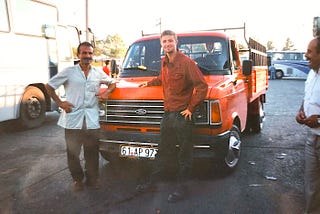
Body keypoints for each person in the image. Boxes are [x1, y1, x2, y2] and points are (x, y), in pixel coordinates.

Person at [136, 30, 208, 203]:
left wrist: (190, 108)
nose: (167, 44)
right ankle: (154, 183)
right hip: (168, 115)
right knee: (162, 151)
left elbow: (202, 86)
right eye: (164, 41)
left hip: (182, 117)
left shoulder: (187, 63)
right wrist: (149, 82)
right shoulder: (164, 62)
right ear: (161, 44)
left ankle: (181, 189)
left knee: (184, 154)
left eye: (170, 41)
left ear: (176, 42)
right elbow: (163, 78)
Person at [45, 42, 116, 191]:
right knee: (73, 153)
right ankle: (77, 180)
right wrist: (60, 102)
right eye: (84, 53)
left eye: (90, 53)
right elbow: (49, 86)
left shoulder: (97, 72)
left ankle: (92, 179)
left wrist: (106, 93)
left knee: (92, 152)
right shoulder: (69, 72)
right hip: (73, 119)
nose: (87, 56)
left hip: (91, 119)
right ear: (78, 55)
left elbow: (112, 82)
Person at [295, 36, 320, 214]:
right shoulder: (311, 74)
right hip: (312, 138)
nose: (306, 55)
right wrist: (301, 111)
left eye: (310, 52)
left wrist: (318, 120)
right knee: (311, 183)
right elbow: (307, 97)